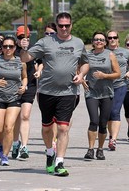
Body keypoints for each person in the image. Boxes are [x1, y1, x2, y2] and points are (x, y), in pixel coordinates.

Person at [20, 12, 89, 176]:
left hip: (68, 91)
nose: (64, 28)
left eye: (67, 25)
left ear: (71, 25)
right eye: (61, 25)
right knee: (47, 128)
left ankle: (59, 162)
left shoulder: (78, 43)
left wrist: (81, 75)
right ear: (56, 26)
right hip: (46, 91)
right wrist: (23, 47)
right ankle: (50, 152)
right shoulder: (46, 42)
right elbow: (25, 58)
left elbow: (85, 63)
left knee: (63, 128)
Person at [0, 36, 28, 166]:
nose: (8, 49)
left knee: (8, 127)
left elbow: (25, 77)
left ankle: (5, 155)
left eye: (11, 46)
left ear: (15, 48)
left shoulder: (21, 62)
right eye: (5, 46)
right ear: (2, 48)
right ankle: (2, 143)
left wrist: (23, 86)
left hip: (14, 98)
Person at [83, 31, 120, 160]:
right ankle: (90, 149)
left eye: (101, 40)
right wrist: (82, 80)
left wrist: (105, 76)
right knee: (94, 121)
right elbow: (79, 69)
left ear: (105, 42)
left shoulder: (110, 55)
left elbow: (117, 74)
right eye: (96, 39)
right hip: (91, 92)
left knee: (103, 123)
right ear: (93, 42)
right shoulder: (87, 55)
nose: (99, 41)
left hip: (106, 93)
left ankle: (100, 149)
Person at [12, 26, 40, 160]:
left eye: (26, 38)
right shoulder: (10, 49)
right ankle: (15, 142)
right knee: (15, 118)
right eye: (21, 37)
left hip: (30, 84)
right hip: (14, 86)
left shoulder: (34, 49)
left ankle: (24, 146)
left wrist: (39, 70)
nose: (24, 40)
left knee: (25, 115)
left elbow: (41, 62)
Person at [106, 30, 129, 151]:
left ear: (118, 39)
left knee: (115, 111)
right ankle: (111, 135)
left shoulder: (125, 52)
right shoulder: (104, 52)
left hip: (120, 85)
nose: (112, 39)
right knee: (107, 114)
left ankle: (113, 140)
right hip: (106, 86)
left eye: (114, 37)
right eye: (110, 37)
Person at [34, 22, 58, 152]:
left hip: (60, 86)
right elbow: (39, 62)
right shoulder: (41, 45)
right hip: (44, 86)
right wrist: (38, 70)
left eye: (52, 33)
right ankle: (51, 141)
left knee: (58, 117)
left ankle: (54, 141)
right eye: (46, 33)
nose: (49, 36)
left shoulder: (61, 45)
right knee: (48, 116)